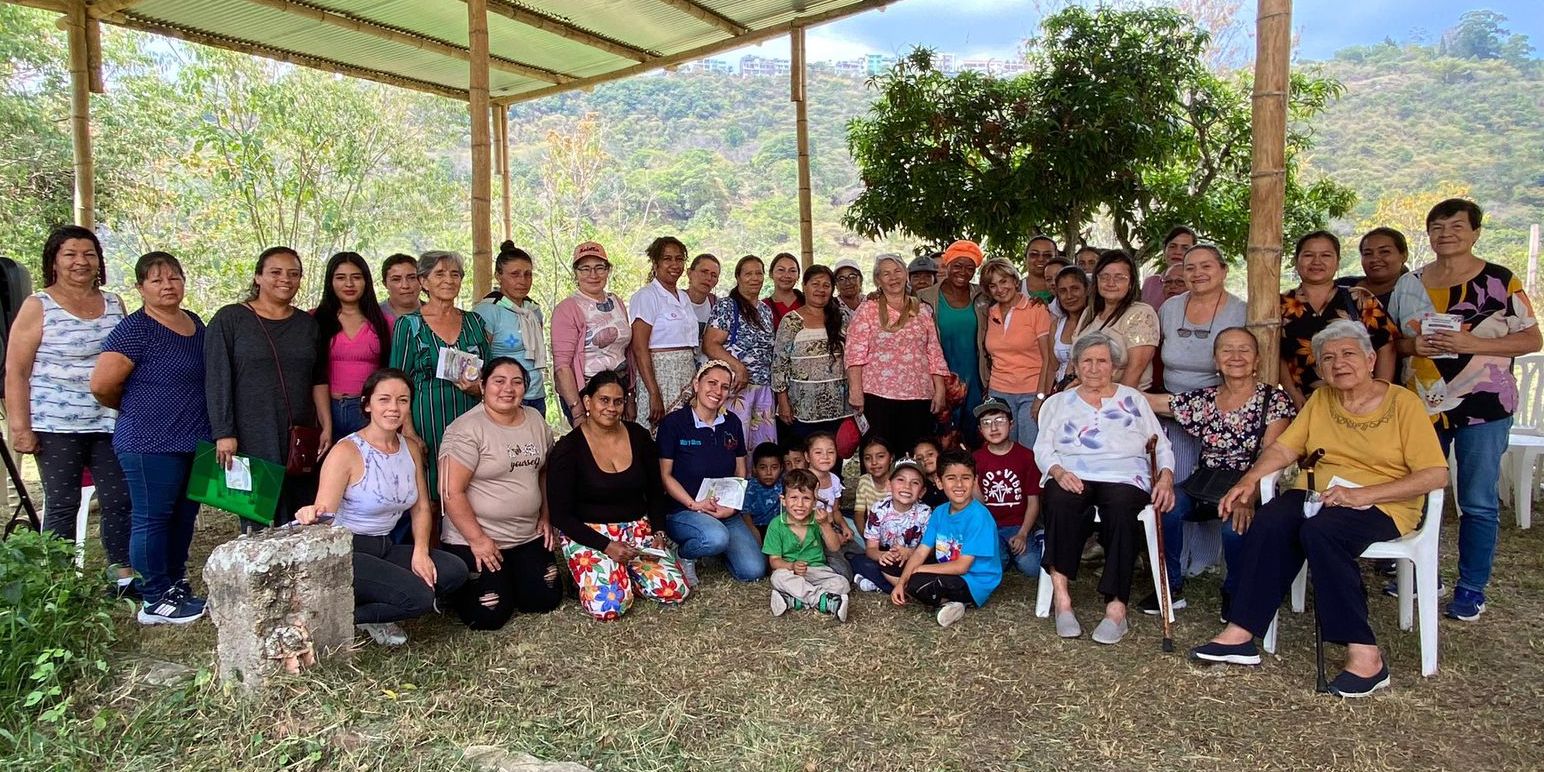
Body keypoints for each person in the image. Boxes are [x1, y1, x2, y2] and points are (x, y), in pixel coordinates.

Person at [1191, 320, 1449, 697]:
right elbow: (1284, 449)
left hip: (1384, 503)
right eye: (1328, 358)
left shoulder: (1402, 403)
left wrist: (1366, 494)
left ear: (1370, 359)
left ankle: (1365, 655)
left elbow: (1435, 474)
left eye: (1348, 354)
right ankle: (1240, 632)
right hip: (1320, 493)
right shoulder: (1322, 400)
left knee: (1322, 531)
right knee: (1273, 520)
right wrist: (1248, 481)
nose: (1338, 364)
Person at [1391, 199, 1541, 621]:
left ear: (1475, 232)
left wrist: (1476, 345)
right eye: (1437, 227)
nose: (1446, 234)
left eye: (1456, 226)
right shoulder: (1411, 283)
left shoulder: (1499, 281)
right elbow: (1391, 342)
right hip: (1422, 406)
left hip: (1485, 406)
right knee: (1418, 493)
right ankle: (1421, 572)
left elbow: (1532, 340)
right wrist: (1412, 345)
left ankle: (1471, 587)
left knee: (1476, 500)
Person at [294, 369, 468, 645]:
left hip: (383, 545)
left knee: (454, 571)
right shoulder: (347, 451)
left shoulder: (409, 447)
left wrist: (421, 551)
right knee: (420, 597)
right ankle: (344, 617)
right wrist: (309, 513)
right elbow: (323, 514)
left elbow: (422, 507)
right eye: (384, 400)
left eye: (402, 400)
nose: (394, 408)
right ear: (367, 404)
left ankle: (381, 601)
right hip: (347, 550)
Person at [4, 226, 132, 593]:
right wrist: (20, 427)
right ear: (55, 261)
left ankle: (122, 576)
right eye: (70, 254)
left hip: (107, 420)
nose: (80, 261)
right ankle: (59, 585)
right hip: (55, 423)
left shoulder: (113, 303)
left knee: (118, 499)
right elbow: (16, 370)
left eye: (88, 254)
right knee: (63, 502)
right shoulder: (37, 305)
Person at [1142, 327, 1295, 616]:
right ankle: (1170, 586)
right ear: (1215, 360)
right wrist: (1104, 385)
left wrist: (1248, 495)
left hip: (1251, 485)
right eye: (1227, 350)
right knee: (1165, 506)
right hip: (1206, 483)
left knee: (1235, 527)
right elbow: (1153, 402)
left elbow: (1273, 456)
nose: (1235, 357)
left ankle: (1235, 591)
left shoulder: (1273, 401)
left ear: (1257, 360)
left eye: (1244, 350)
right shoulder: (1205, 400)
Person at [1035, 332, 1175, 645]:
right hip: (1072, 470)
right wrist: (1057, 471)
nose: (1095, 368)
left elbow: (1160, 445)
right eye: (1087, 361)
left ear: (1113, 366)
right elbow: (1042, 448)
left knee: (1123, 507)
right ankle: (1062, 600)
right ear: (1076, 365)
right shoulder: (1059, 403)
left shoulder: (1132, 399)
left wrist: (1165, 476)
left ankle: (1116, 606)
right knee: (1059, 500)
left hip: (1125, 475)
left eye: (1102, 361)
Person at [90, 251, 206, 619]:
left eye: (173, 277)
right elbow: (103, 385)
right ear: (141, 288)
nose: (167, 285)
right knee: (152, 517)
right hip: (148, 441)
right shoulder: (136, 328)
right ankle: (153, 597)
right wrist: (140, 407)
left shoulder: (194, 323)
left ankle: (173, 583)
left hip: (192, 437)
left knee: (183, 517)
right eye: (156, 280)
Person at [547, 371, 690, 621]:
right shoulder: (568, 448)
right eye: (604, 400)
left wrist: (658, 532)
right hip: (591, 534)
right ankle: (597, 574)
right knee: (609, 607)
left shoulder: (639, 436)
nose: (611, 408)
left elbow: (656, 492)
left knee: (675, 591)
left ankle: (624, 575)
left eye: (618, 401)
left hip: (636, 530)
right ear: (588, 402)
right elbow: (561, 515)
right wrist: (606, 546)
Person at [206, 246, 328, 528]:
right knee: (255, 522)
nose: (285, 279)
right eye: (276, 272)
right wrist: (224, 432)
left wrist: (326, 425)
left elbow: (318, 378)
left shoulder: (307, 325)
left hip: (299, 436)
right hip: (249, 435)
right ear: (258, 277)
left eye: (293, 274)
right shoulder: (230, 318)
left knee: (301, 519)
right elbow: (216, 378)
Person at [439, 357, 559, 630]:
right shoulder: (466, 429)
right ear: (482, 386)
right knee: (488, 614)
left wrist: (545, 515)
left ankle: (512, 576)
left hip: (526, 535)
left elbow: (544, 471)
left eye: (517, 382)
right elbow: (451, 492)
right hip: (478, 539)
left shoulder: (535, 420)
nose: (508, 388)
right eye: (499, 381)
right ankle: (459, 584)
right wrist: (478, 539)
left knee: (544, 599)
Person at [388, 250, 490, 505]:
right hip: (428, 421)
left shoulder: (474, 322)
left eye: (455, 274)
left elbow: (491, 375)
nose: (448, 280)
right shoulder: (409, 325)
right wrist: (408, 431)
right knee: (433, 492)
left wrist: (478, 389)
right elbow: (398, 383)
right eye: (439, 274)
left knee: (475, 486)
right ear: (423, 282)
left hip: (472, 417)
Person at [658, 360, 764, 584]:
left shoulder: (732, 423)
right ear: (697, 384)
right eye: (712, 383)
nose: (717, 391)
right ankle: (684, 554)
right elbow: (665, 475)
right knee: (716, 537)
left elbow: (741, 470)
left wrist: (731, 507)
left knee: (753, 571)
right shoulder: (674, 423)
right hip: (684, 509)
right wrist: (694, 505)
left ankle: (714, 546)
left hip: (723, 509)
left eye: (724, 387)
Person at [1279, 230, 1398, 409]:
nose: (1316, 261)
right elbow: (1274, 353)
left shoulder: (1359, 298)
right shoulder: (1279, 304)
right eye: (1308, 255)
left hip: (1359, 401)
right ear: (1297, 261)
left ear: (1337, 261)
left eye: (1326, 255)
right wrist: (1291, 392)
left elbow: (1386, 345)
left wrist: (1378, 393)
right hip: (1304, 404)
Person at [846, 254, 949, 457]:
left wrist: (939, 390)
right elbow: (854, 352)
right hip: (878, 395)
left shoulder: (922, 310)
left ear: (906, 275)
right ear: (878, 280)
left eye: (897, 271)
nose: (893, 277)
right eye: (886, 273)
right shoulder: (867, 309)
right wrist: (855, 390)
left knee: (915, 454)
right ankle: (875, 490)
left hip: (919, 394)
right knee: (879, 454)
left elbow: (934, 351)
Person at [889, 450, 1001, 627]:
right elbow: (921, 552)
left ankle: (959, 602)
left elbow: (962, 566)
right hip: (950, 568)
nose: (959, 484)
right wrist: (901, 583)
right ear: (939, 482)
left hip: (973, 580)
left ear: (975, 480)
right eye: (951, 478)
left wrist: (919, 569)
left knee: (918, 579)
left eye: (965, 477)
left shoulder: (979, 517)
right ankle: (951, 603)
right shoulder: (940, 512)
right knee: (904, 574)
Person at [550, 241, 633, 427]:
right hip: (587, 392)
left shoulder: (617, 302)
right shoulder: (567, 308)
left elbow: (624, 352)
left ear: (608, 270)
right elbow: (562, 366)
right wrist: (577, 409)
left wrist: (629, 395)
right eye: (585, 269)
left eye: (599, 268)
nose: (593, 275)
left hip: (618, 389)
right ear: (576, 273)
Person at [918, 241, 990, 442]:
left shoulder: (983, 296)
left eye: (970, 268)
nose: (963, 272)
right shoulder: (925, 297)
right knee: (940, 437)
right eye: (957, 265)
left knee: (974, 435)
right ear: (946, 265)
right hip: (939, 379)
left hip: (975, 377)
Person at [315, 252, 392, 438]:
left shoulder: (384, 323)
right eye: (341, 278)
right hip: (326, 410)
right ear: (330, 282)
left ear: (366, 281)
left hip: (368, 410)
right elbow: (315, 376)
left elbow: (391, 371)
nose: (349, 284)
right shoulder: (315, 320)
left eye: (356, 277)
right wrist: (325, 424)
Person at [704, 255, 777, 447]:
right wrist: (739, 368)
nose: (754, 278)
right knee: (735, 444)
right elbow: (710, 344)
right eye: (748, 274)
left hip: (763, 389)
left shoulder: (765, 310)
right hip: (737, 389)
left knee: (762, 446)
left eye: (758, 273)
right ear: (738, 277)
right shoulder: (727, 306)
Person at [772, 265, 852, 439]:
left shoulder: (843, 317)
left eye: (826, 285)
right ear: (804, 286)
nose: (821, 290)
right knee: (803, 459)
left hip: (840, 408)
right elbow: (779, 364)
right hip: (802, 408)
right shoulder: (791, 320)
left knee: (832, 459)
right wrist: (783, 402)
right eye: (815, 284)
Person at [981, 258, 1054, 448]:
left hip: (1031, 391)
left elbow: (1048, 359)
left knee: (1030, 450)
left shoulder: (1035, 308)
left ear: (1015, 281)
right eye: (993, 285)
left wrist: (1041, 397)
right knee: (1003, 449)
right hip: (999, 391)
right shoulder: (989, 313)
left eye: (1004, 281)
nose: (1000, 289)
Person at [630, 236, 698, 430]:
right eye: (667, 259)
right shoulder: (646, 296)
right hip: (660, 377)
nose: (674, 264)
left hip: (685, 375)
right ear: (656, 263)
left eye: (679, 259)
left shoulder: (684, 297)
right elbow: (639, 348)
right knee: (659, 434)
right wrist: (654, 393)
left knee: (684, 434)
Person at [765, 468, 851, 621]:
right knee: (777, 577)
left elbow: (835, 547)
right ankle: (822, 600)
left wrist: (825, 524)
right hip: (792, 572)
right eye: (794, 498)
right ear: (783, 500)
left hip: (817, 570)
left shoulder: (818, 520)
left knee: (842, 583)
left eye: (806, 498)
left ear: (814, 501)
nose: (800, 504)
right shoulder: (776, 525)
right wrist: (792, 566)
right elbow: (774, 561)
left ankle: (794, 600)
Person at [971, 398, 1043, 579]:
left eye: (999, 420)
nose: (993, 428)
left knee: (1031, 568)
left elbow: (1034, 500)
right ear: (980, 430)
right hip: (991, 526)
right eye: (986, 423)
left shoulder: (1026, 457)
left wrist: (1023, 534)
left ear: (1011, 424)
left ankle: (1038, 537)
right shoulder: (975, 458)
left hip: (1018, 525)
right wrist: (973, 479)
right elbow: (978, 502)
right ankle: (1004, 553)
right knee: (995, 564)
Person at [474, 242, 548, 415]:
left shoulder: (533, 310)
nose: (522, 281)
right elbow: (479, 358)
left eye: (528, 274)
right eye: (515, 274)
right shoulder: (487, 310)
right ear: (498, 276)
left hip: (536, 392)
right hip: (504, 396)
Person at [1077, 250, 1160, 390]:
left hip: (1121, 399)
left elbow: (1135, 370)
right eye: (1104, 277)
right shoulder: (1089, 313)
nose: (1111, 283)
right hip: (1085, 393)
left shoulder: (1141, 314)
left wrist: (1112, 404)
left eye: (1119, 277)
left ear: (1131, 282)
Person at [849, 457, 932, 592]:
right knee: (859, 561)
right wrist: (882, 555)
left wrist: (910, 553)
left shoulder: (926, 513)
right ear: (889, 485)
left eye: (915, 482)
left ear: (922, 491)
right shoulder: (878, 509)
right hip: (885, 559)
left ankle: (887, 585)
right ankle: (903, 588)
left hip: (912, 562)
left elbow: (928, 551)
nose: (907, 486)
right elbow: (871, 549)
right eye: (900, 480)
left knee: (924, 570)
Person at [1340, 227, 1411, 308]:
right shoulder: (1342, 286)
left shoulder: (1415, 293)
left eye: (1384, 252)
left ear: (1404, 256)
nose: (1375, 259)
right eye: (1368, 253)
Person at [1051, 266, 1090, 384]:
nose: (1069, 296)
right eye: (1063, 291)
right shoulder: (1057, 325)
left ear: (1087, 289)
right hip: (1061, 392)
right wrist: (1043, 399)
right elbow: (1051, 368)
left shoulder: (1096, 322)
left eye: (1075, 289)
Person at [1141, 226, 1197, 309]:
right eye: (1172, 246)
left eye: (1185, 248)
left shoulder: (1199, 282)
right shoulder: (1151, 283)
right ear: (1164, 251)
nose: (1178, 252)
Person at [852, 435, 893, 531]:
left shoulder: (898, 481)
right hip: (872, 532)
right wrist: (866, 538)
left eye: (880, 456)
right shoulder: (864, 481)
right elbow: (859, 514)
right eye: (868, 458)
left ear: (891, 458)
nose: (874, 462)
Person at [743, 442, 784, 532]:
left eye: (774, 468)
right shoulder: (750, 487)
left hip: (779, 529)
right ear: (754, 468)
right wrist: (752, 530)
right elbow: (745, 514)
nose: (768, 473)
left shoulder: (785, 484)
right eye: (763, 468)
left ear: (781, 468)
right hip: (756, 527)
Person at [380, 253, 423, 327]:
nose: (405, 286)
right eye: (396, 279)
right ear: (385, 284)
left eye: (412, 278)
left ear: (422, 280)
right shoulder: (374, 315)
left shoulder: (437, 313)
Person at [765, 252, 804, 331]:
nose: (786, 275)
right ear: (771, 274)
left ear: (798, 276)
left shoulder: (808, 302)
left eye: (792, 271)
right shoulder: (763, 307)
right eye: (781, 270)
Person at [911, 436, 949, 510]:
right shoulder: (917, 485)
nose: (925, 459)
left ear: (940, 454)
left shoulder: (951, 478)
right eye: (919, 458)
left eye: (930, 454)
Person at [1022, 236, 1058, 303]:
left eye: (1047, 255)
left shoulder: (1065, 290)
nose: (1040, 259)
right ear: (1025, 258)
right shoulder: (1014, 289)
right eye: (1034, 254)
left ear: (1056, 258)